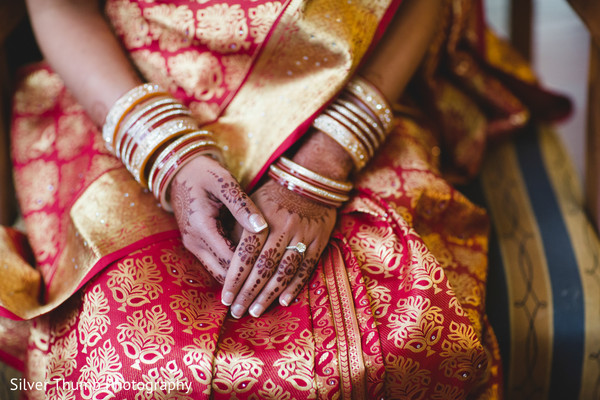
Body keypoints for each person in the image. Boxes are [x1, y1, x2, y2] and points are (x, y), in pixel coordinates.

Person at [0, 0, 568, 398]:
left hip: (358, 81)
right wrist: (166, 153)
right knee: (124, 370)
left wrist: (332, 155)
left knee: (409, 335)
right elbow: (59, 6)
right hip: (128, 83)